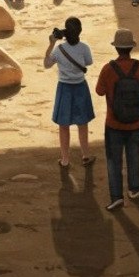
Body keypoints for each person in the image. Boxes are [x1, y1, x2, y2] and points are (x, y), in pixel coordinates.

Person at [96, 28, 139, 209]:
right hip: (136, 121)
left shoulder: (108, 69)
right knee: (134, 155)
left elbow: (99, 91)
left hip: (113, 122)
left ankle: (116, 196)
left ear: (116, 48)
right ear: (131, 48)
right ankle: (134, 188)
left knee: (114, 159)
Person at [44, 17, 95, 168]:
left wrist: (51, 43)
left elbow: (47, 64)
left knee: (64, 125)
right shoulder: (84, 47)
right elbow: (88, 62)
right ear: (80, 31)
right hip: (80, 86)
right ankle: (85, 155)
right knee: (83, 123)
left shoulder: (59, 49)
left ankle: (65, 159)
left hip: (64, 88)